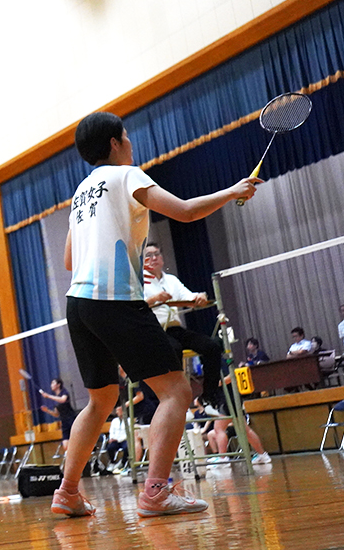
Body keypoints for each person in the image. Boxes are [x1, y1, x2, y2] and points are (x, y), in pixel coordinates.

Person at [52, 111, 259, 520]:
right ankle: (156, 493)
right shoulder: (126, 175)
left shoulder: (81, 193)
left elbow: (68, 259)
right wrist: (231, 190)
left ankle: (68, 492)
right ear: (114, 143)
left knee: (100, 401)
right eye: (125, 136)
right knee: (177, 391)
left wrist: (120, 251)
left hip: (78, 303)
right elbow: (183, 211)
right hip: (114, 301)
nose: (130, 143)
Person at [143, 243, 223, 405]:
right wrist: (155, 299)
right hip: (155, 332)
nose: (153, 258)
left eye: (156, 254)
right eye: (148, 255)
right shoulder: (139, 282)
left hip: (176, 329)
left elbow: (188, 297)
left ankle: (208, 396)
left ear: (162, 258)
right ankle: (176, 398)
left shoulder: (171, 280)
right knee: (174, 349)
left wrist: (199, 297)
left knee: (212, 346)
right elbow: (134, 307)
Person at [39, 378, 78, 454]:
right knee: (66, 446)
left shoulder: (64, 392)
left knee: (76, 442)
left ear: (58, 385)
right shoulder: (55, 399)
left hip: (71, 419)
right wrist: (47, 411)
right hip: (64, 422)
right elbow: (56, 414)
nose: (51, 385)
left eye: (53, 383)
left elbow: (63, 400)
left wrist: (48, 396)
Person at [105, 405, 129, 471]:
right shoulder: (114, 421)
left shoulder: (128, 420)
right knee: (110, 447)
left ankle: (123, 462)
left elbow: (128, 433)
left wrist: (119, 439)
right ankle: (112, 462)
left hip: (124, 440)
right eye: (117, 411)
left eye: (119, 411)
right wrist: (111, 438)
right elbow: (111, 431)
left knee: (127, 447)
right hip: (115, 440)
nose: (117, 412)